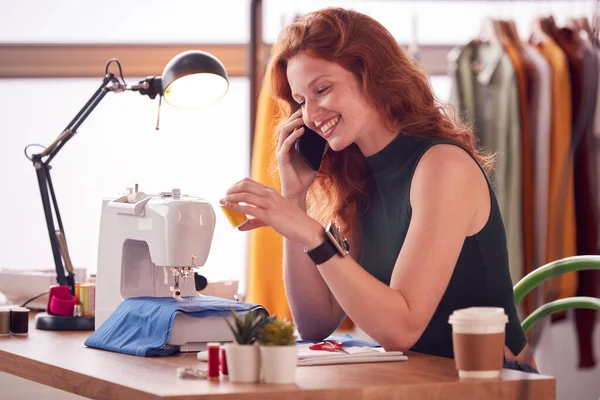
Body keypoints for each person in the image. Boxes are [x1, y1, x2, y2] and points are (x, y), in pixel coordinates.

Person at [221, 7, 537, 370]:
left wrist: (310, 233)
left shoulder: (442, 167)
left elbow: (402, 329)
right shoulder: (358, 179)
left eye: (322, 89)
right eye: (302, 101)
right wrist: (296, 199)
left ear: (370, 75)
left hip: (490, 382)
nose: (310, 115)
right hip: (421, 379)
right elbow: (314, 322)